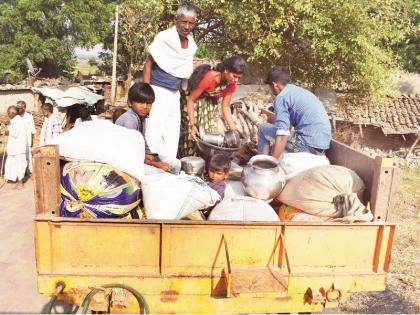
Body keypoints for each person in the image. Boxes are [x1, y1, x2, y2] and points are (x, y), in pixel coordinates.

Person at [143, 4, 198, 159]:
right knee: (153, 131)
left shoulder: (191, 44)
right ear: (176, 20)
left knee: (172, 133)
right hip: (157, 90)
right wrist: (146, 94)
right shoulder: (164, 38)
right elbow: (148, 64)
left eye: (191, 23)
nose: (187, 27)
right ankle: (151, 165)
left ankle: (167, 167)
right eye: (184, 22)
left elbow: (184, 72)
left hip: (175, 93)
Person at [258, 66, 331, 158]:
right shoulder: (295, 91)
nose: (271, 90)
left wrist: (273, 160)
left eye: (270, 87)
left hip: (305, 145)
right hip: (322, 146)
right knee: (280, 143)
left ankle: (261, 164)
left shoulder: (281, 97)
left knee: (263, 128)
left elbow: (283, 134)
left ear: (275, 85)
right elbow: (286, 127)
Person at [180, 55, 247, 156]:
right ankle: (188, 162)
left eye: (239, 78)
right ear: (226, 70)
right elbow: (191, 100)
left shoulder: (232, 84)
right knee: (192, 135)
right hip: (193, 103)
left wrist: (233, 127)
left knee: (209, 136)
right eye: (235, 76)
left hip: (209, 104)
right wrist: (193, 125)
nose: (236, 80)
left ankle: (206, 166)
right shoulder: (209, 78)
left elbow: (225, 106)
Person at [115, 83, 180, 173]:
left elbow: (142, 143)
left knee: (174, 163)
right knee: (165, 170)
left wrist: (151, 156)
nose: (145, 107)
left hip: (135, 157)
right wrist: (155, 164)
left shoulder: (141, 117)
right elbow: (132, 152)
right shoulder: (130, 120)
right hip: (123, 161)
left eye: (149, 103)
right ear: (130, 103)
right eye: (141, 102)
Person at [4, 106, 27, 189]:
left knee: (19, 165)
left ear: (13, 113)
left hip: (18, 148)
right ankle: (16, 181)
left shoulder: (18, 121)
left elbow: (15, 133)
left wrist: (8, 127)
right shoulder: (14, 120)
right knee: (13, 165)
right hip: (14, 148)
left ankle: (20, 183)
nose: (7, 114)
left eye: (8, 112)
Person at [16, 100, 35, 175]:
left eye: (19, 108)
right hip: (18, 141)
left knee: (28, 157)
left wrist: (32, 141)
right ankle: (20, 172)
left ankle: (30, 172)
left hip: (27, 141)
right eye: (17, 107)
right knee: (19, 157)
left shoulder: (29, 117)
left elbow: (33, 130)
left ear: (24, 108)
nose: (18, 109)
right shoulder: (15, 117)